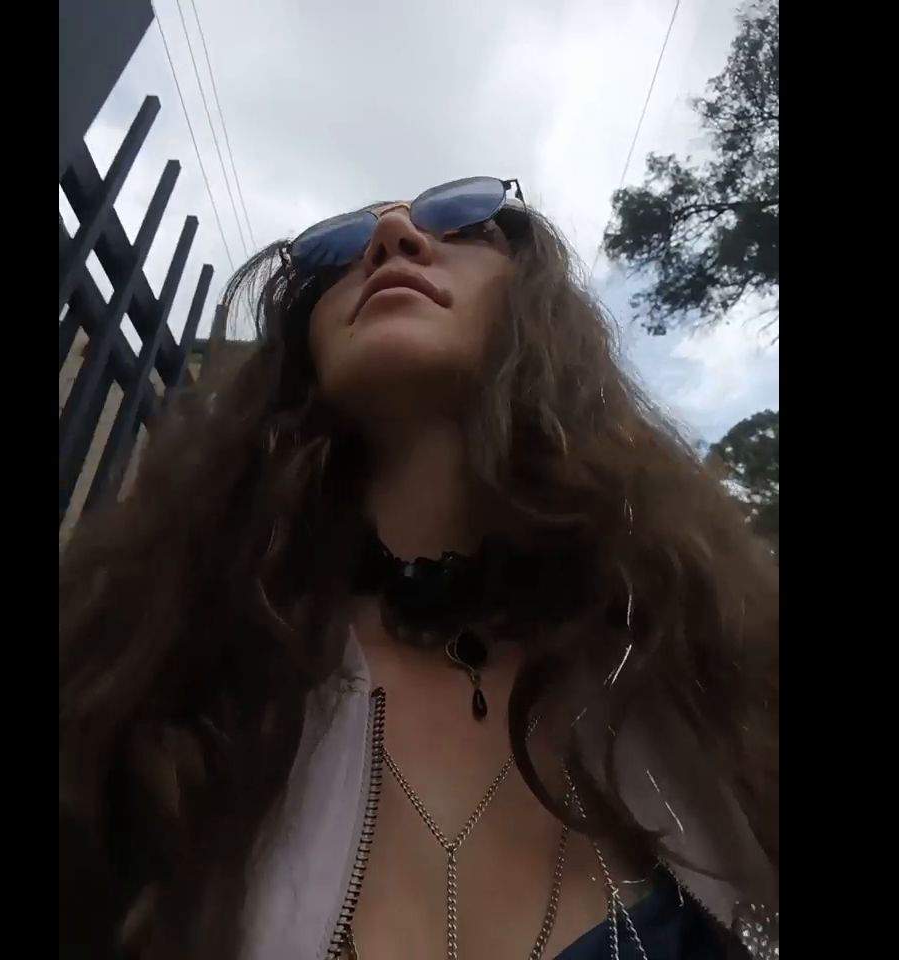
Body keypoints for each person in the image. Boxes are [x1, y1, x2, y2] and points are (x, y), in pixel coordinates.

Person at [60, 177, 778, 960]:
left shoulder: (697, 665)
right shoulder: (152, 674)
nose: (391, 239)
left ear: (533, 304)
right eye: (337, 252)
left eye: (463, 224)